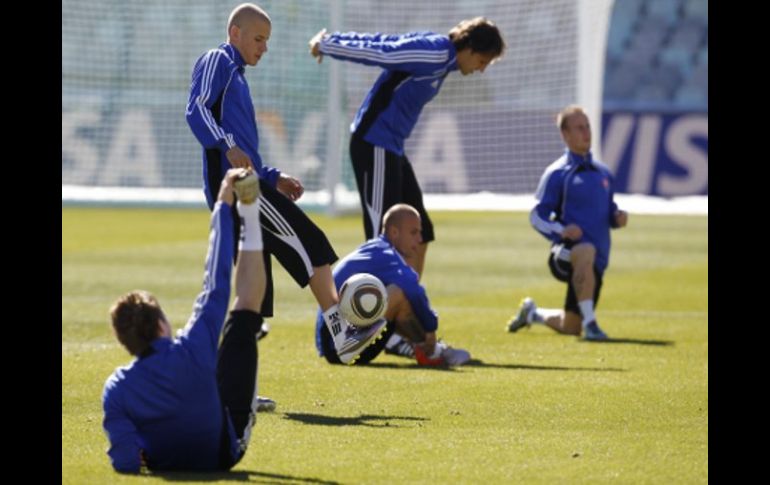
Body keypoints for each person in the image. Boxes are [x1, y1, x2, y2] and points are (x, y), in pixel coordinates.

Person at [185, 3, 385, 365]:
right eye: (258, 39)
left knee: (253, 292)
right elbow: (196, 108)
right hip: (239, 187)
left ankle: (233, 387)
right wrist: (228, 146)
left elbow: (244, 148)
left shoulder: (238, 76)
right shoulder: (219, 60)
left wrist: (273, 177)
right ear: (235, 34)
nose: (264, 47)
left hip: (248, 183)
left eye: (267, 40)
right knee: (308, 241)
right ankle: (342, 331)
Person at [308, 18, 505, 278]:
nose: (481, 69)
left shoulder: (443, 62)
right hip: (374, 143)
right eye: (482, 61)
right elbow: (380, 49)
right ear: (469, 48)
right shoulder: (433, 53)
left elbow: (385, 42)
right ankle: (359, 307)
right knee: (381, 238)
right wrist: (327, 44)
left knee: (420, 233)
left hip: (392, 148)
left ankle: (407, 308)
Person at [102, 168, 268, 473]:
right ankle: (251, 213)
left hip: (169, 457)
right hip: (222, 454)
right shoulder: (192, 345)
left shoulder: (116, 388)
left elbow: (126, 462)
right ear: (162, 326)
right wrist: (223, 206)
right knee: (244, 312)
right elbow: (215, 280)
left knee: (215, 357)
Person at [506, 105, 628, 341]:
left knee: (571, 325)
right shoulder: (558, 173)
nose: (586, 132)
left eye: (587, 126)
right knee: (585, 249)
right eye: (579, 128)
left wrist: (617, 218)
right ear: (566, 135)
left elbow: (608, 211)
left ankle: (533, 313)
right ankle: (592, 324)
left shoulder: (603, 173)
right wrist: (561, 230)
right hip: (565, 254)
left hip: (597, 261)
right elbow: (536, 215)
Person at [315, 204, 470, 366]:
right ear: (394, 232)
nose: (419, 239)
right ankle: (432, 350)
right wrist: (430, 328)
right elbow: (414, 289)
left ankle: (422, 348)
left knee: (398, 298)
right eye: (414, 232)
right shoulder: (386, 255)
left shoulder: (375, 248)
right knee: (399, 293)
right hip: (341, 346)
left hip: (334, 343)